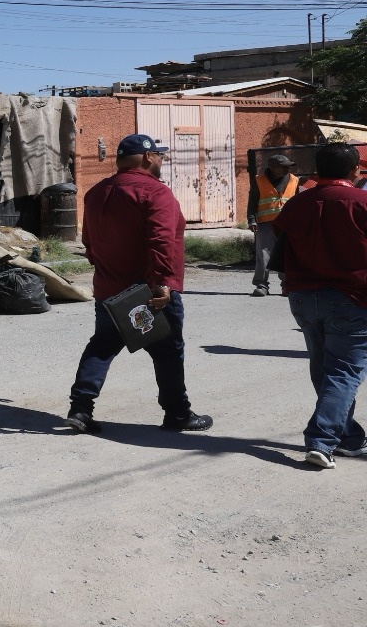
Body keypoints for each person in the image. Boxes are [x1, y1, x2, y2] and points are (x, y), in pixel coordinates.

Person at [63, 132, 214, 434]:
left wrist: (109, 272)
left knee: (102, 345)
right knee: (168, 351)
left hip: (109, 290)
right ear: (148, 156)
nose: (161, 160)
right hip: (148, 292)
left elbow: (89, 243)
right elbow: (161, 241)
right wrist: (160, 284)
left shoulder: (96, 193)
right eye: (159, 155)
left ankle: (80, 410)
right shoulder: (156, 193)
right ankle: (178, 414)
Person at [272, 142, 367, 470]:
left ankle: (348, 437)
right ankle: (323, 440)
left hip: (303, 297)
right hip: (351, 299)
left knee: (324, 369)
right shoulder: (362, 202)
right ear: (355, 170)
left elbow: (280, 247)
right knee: (344, 372)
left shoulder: (298, 203)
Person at [248, 153, 300, 297]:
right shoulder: (259, 181)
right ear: (272, 167)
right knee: (263, 255)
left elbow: (297, 202)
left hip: (287, 223)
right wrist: (251, 219)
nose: (287, 169)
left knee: (286, 254)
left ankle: (286, 285)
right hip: (265, 223)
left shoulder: (294, 180)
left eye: (288, 166)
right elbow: (252, 201)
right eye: (283, 167)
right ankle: (261, 285)